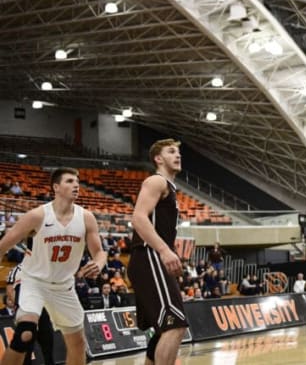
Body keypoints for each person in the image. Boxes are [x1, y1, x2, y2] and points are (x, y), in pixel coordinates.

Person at [0, 167, 106, 365]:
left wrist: (98, 263)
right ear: (56, 187)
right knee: (25, 334)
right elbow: (4, 244)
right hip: (34, 282)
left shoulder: (86, 218)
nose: (76, 185)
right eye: (69, 181)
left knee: (77, 343)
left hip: (64, 286)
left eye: (77, 181)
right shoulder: (37, 215)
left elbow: (99, 251)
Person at [128, 139, 188, 364]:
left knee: (164, 330)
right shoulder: (156, 180)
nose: (178, 155)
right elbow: (138, 218)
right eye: (171, 151)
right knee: (176, 326)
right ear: (158, 158)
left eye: (179, 152)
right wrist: (164, 250)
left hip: (151, 259)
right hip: (149, 255)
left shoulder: (169, 187)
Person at [7, 261, 56, 365]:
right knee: (26, 346)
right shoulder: (17, 269)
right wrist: (20, 304)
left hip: (42, 310)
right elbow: (10, 290)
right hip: (26, 310)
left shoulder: (43, 268)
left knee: (47, 344)